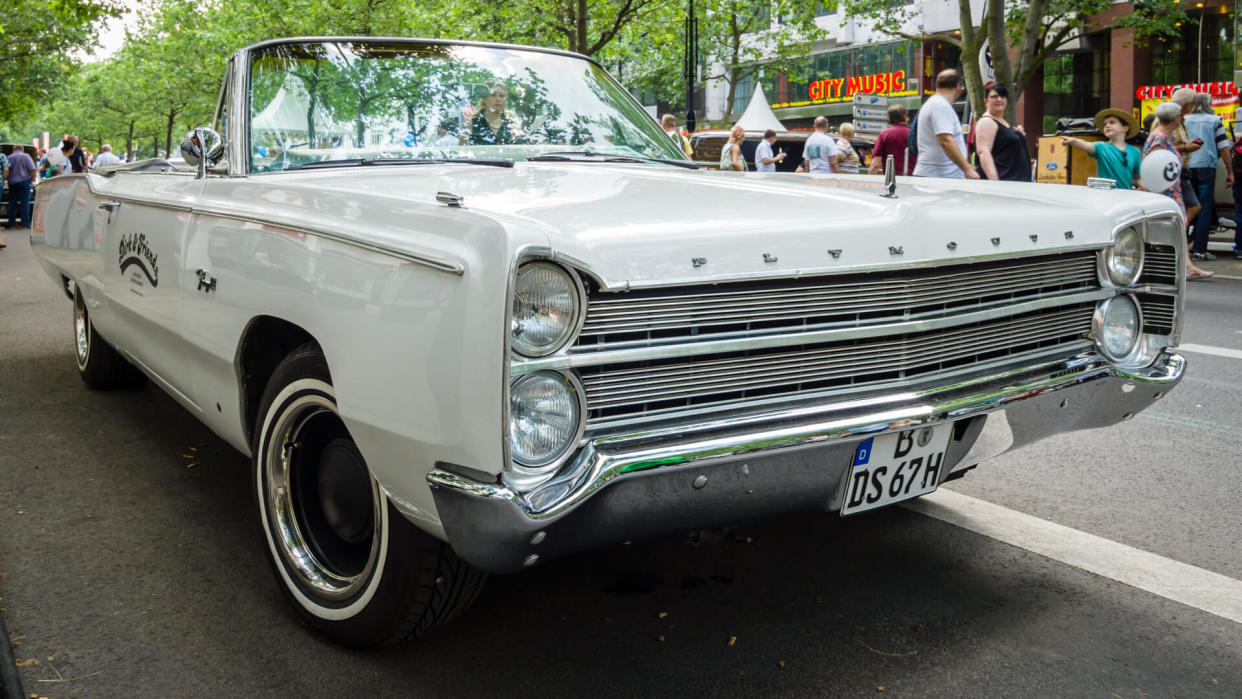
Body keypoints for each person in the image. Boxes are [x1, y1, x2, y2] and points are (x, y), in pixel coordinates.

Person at [1145, 101, 1214, 280]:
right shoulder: (1159, 138)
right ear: (1176, 119)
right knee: (1172, 228)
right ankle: (1166, 267)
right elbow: (1156, 166)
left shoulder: (1163, 137)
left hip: (1172, 190)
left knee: (1179, 227)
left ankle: (1186, 266)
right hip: (1165, 192)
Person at [1183, 92, 1233, 260]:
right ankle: (1199, 249)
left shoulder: (1184, 120)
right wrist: (1230, 171)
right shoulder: (1215, 121)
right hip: (1206, 168)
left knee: (1189, 207)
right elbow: (1224, 148)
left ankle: (1183, 245)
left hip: (1187, 167)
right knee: (1204, 208)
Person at [913, 70, 978, 179]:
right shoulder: (940, 106)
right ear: (958, 86)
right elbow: (946, 140)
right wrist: (967, 169)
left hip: (936, 176)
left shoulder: (933, 103)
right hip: (940, 179)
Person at [1060, 108, 1143, 190]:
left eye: (1112, 122)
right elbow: (1086, 145)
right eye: (1105, 124)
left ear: (1125, 128)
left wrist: (1151, 189)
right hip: (1105, 197)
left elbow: (1138, 178)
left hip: (1125, 198)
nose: (1107, 125)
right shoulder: (1101, 147)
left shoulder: (1135, 152)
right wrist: (1073, 141)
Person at [974, 84, 1031, 181]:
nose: (999, 99)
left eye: (1002, 96)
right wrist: (995, 183)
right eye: (994, 97)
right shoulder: (986, 122)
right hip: (1004, 185)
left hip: (1016, 184)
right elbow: (983, 152)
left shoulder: (1004, 123)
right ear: (985, 101)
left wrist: (1017, 134)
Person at [1169, 88, 1203, 242]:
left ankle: (1178, 238)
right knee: (1189, 207)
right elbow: (1159, 145)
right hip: (1172, 172)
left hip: (1181, 171)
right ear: (1186, 104)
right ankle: (1177, 238)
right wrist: (1186, 147)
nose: (1192, 108)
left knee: (1190, 207)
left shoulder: (1180, 118)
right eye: (1192, 104)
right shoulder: (1167, 117)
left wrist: (1187, 145)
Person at [869, 104, 915, 175]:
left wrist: (869, 179)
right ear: (905, 117)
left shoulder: (884, 135)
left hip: (891, 180)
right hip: (911, 179)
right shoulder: (913, 135)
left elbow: (876, 164)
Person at [4, 146, 36, 238]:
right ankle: (25, 222)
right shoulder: (26, 156)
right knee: (24, 203)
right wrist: (32, 180)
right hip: (24, 182)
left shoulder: (9, 157)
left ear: (13, 150)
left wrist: (7, 179)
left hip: (12, 183)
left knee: (12, 203)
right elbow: (32, 169)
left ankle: (12, 223)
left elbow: (6, 170)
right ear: (22, 149)